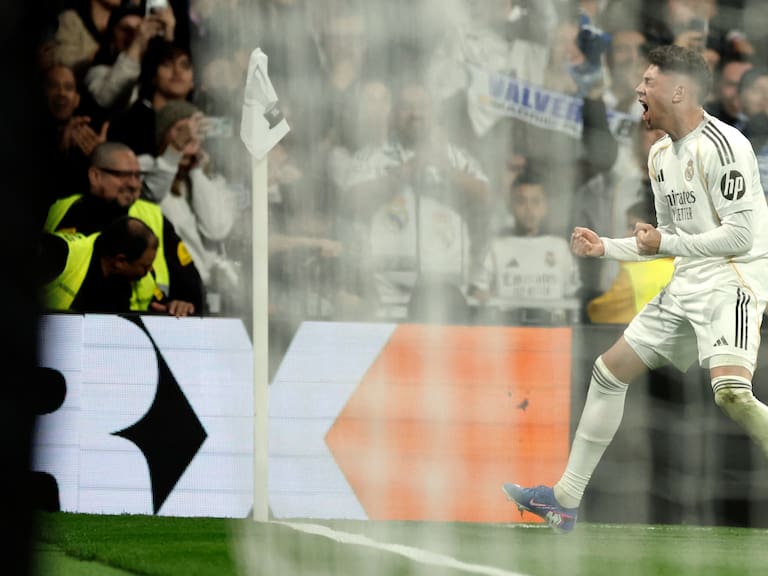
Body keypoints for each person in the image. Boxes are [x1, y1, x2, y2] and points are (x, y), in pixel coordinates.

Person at [503, 44, 768, 533]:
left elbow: (740, 236)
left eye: (648, 82)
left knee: (731, 393)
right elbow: (662, 243)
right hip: (688, 281)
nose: (639, 90)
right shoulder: (660, 155)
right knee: (608, 372)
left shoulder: (725, 146)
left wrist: (665, 239)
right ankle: (564, 499)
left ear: (679, 90)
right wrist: (604, 247)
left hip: (732, 279)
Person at [42, 141, 205, 314]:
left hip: (133, 332)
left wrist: (180, 306)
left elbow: (191, 289)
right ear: (95, 175)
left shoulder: (153, 216)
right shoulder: (59, 210)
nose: (134, 184)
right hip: (63, 331)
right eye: (124, 175)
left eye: (137, 176)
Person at [470, 162, 581, 325]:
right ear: (511, 206)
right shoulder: (497, 247)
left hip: (551, 331)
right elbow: (478, 291)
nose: (529, 209)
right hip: (509, 330)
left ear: (546, 206)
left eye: (536, 202)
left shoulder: (560, 248)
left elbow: (572, 295)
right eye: (521, 201)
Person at [40, 215, 195, 317]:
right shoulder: (59, 253)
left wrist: (175, 306)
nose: (150, 271)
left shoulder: (144, 281)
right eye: (145, 266)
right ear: (120, 261)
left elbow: (161, 307)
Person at [586, 199, 674, 324]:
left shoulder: (634, 271)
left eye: (633, 227)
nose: (627, 234)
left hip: (642, 339)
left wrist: (587, 308)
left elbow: (602, 312)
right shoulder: (683, 265)